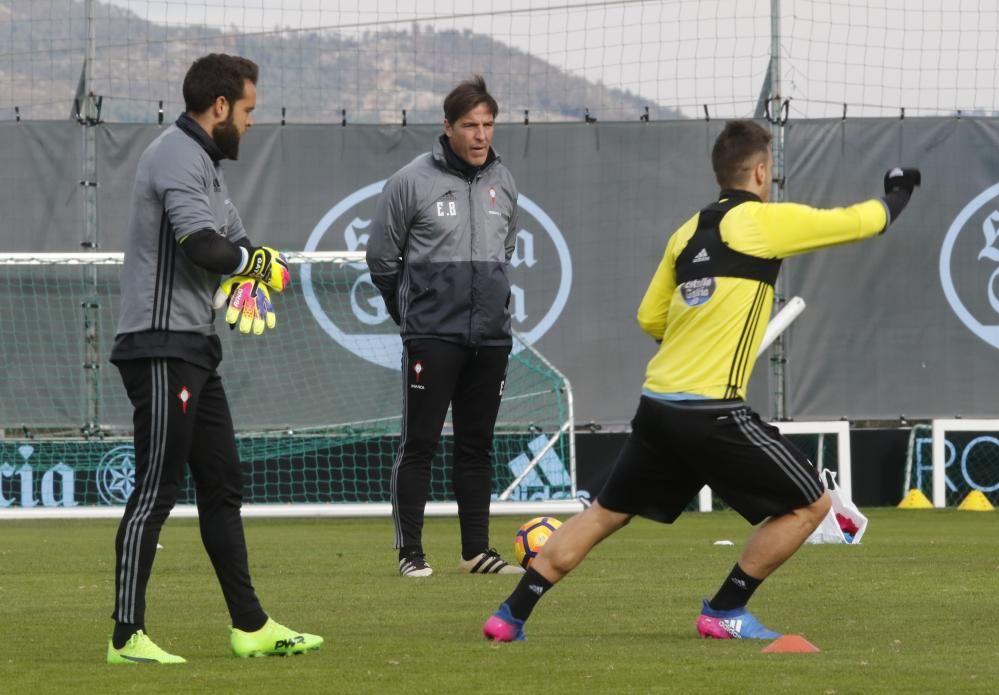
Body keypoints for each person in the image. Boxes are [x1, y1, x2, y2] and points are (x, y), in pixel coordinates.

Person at [483, 119, 921, 641]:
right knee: (813, 505)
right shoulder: (762, 222)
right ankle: (725, 608)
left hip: (657, 407)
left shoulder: (686, 232)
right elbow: (858, 222)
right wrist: (898, 191)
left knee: (604, 514)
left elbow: (650, 319)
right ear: (761, 171)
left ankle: (509, 614)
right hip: (712, 412)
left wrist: (699, 322)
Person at [106, 53, 322, 664]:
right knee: (156, 487)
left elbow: (233, 240)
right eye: (249, 109)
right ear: (220, 106)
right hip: (158, 344)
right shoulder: (173, 155)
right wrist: (253, 266)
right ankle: (126, 637)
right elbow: (202, 244)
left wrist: (251, 270)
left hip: (194, 347)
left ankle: (250, 626)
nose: (253, 122)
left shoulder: (205, 165)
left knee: (223, 485)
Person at [366, 76, 524, 578]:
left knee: (477, 446)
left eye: (488, 125)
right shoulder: (410, 181)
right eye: (470, 126)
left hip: (492, 337)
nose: (481, 136)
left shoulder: (506, 182)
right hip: (432, 337)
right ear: (447, 127)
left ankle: (476, 551)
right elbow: (381, 259)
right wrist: (412, 315)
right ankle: (410, 554)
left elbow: (506, 252)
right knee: (421, 444)